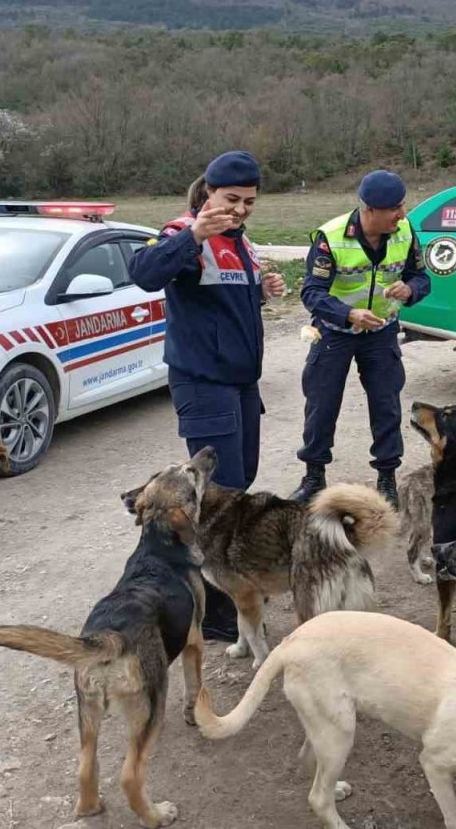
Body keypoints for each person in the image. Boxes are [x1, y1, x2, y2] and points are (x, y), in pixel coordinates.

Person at [128, 150, 286, 641]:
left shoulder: (241, 243)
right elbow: (144, 272)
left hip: (240, 382)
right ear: (208, 193)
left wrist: (263, 289)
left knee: (241, 481)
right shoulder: (182, 233)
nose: (240, 209)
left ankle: (231, 593)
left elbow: (222, 302)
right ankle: (217, 608)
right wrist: (197, 232)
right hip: (203, 381)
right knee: (220, 498)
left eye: (249, 202)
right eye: (231, 199)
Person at [289, 170, 431, 507]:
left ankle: (386, 477)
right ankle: (314, 476)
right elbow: (311, 292)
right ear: (370, 210)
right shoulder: (331, 237)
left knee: (386, 404)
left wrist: (410, 289)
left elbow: (421, 277)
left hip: (381, 330)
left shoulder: (405, 233)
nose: (402, 214)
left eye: (402, 206)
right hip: (334, 332)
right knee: (321, 404)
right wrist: (348, 314)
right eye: (395, 208)